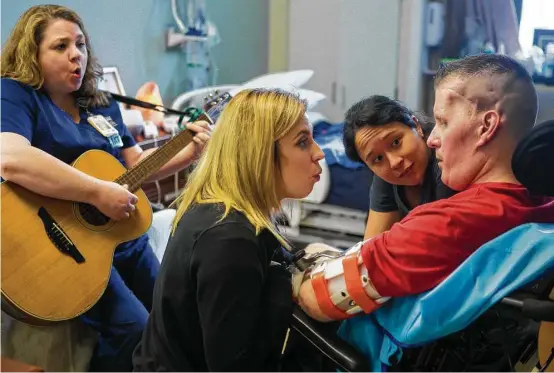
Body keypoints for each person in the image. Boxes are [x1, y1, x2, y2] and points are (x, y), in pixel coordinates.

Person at [0, 5, 210, 371]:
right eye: (60, 46)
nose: (75, 54)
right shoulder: (15, 95)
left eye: (80, 44)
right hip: (64, 245)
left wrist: (189, 151)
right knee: (137, 329)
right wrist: (97, 193)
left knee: (177, 315)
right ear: (31, 53)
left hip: (121, 238)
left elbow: (133, 170)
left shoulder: (102, 104)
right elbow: (11, 158)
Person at [295, 53, 554, 323]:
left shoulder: (447, 223)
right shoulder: (542, 202)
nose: (432, 139)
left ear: (486, 125)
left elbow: (318, 298)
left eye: (443, 122)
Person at [131, 88, 325, 372]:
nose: (318, 153)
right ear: (258, 154)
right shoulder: (230, 239)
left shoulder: (223, 210)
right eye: (302, 142)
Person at [343, 96, 456, 239]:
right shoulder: (388, 176)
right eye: (377, 159)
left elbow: (438, 245)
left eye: (396, 142)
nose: (394, 162)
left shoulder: (446, 160)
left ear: (416, 126)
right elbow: (371, 244)